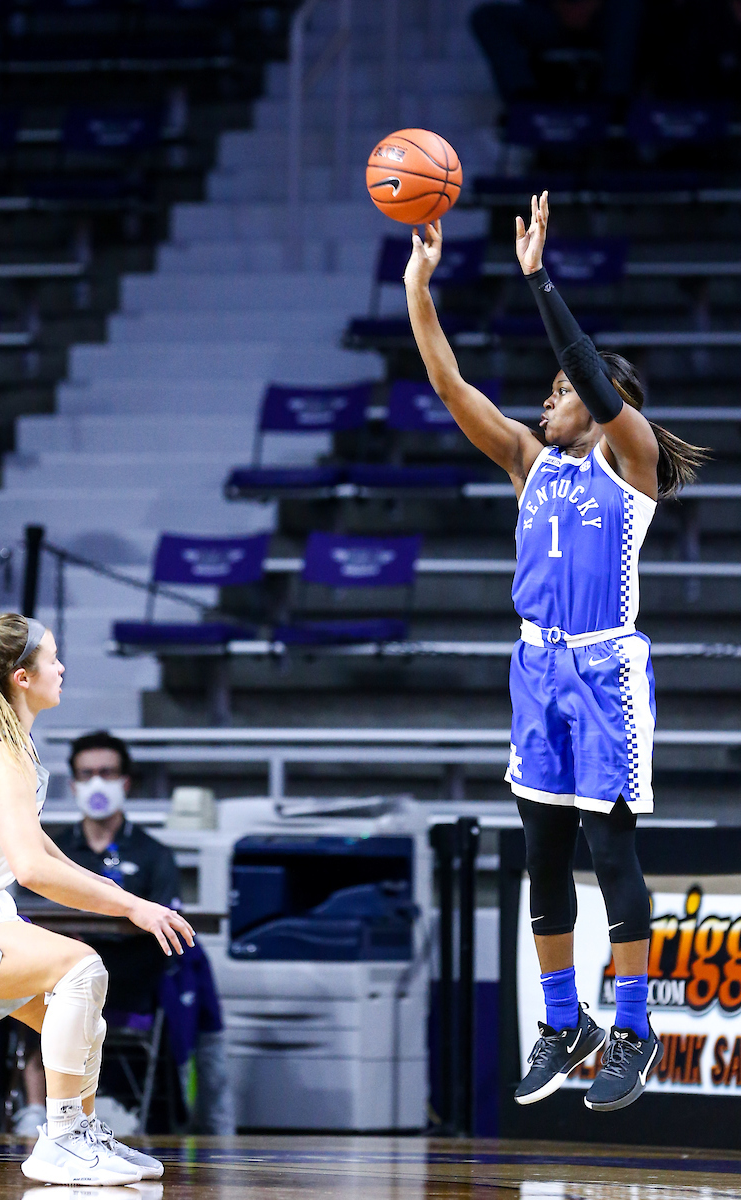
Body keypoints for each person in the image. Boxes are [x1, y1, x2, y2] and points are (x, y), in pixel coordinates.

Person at [403, 192, 706, 1112]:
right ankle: (564, 1020)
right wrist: (419, 288)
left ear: (607, 405)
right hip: (536, 668)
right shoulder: (529, 463)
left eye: (563, 390)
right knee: (541, 857)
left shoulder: (632, 464)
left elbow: (589, 372)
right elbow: (449, 385)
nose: (549, 398)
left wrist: (538, 280)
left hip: (606, 671)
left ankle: (633, 1031)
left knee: (611, 854)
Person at [0, 612, 194, 1182]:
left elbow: (36, 841)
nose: (61, 668)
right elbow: (30, 868)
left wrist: (110, 889)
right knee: (83, 968)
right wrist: (132, 906)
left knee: (82, 1023)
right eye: (51, 659)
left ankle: (81, 1135)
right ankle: (60, 1141)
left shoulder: (0, 738)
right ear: (22, 678)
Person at [14, 729, 234, 1136]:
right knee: (25, 980)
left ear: (125, 782)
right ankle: (34, 1110)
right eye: (88, 774)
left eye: (107, 772)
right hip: (59, 967)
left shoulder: (154, 854)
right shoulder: (53, 852)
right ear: (74, 784)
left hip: (130, 974)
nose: (97, 783)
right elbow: (26, 910)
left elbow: (166, 923)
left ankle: (91, 1111)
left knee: (77, 977)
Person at [470, 0, 642, 108]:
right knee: (486, 17)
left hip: (612, 18)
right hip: (554, 17)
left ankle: (615, 103)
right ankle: (524, 100)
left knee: (629, 8)